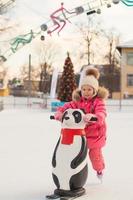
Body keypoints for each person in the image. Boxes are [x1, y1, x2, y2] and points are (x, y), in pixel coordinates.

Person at [54, 67, 109, 180]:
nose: (86, 92)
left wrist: (94, 117)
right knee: (74, 155)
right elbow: (65, 107)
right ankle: (72, 174)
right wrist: (59, 114)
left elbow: (102, 113)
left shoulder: (98, 102)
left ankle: (99, 170)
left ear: (95, 90)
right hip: (79, 135)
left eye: (89, 89)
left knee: (95, 157)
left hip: (95, 136)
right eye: (84, 89)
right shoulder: (78, 101)